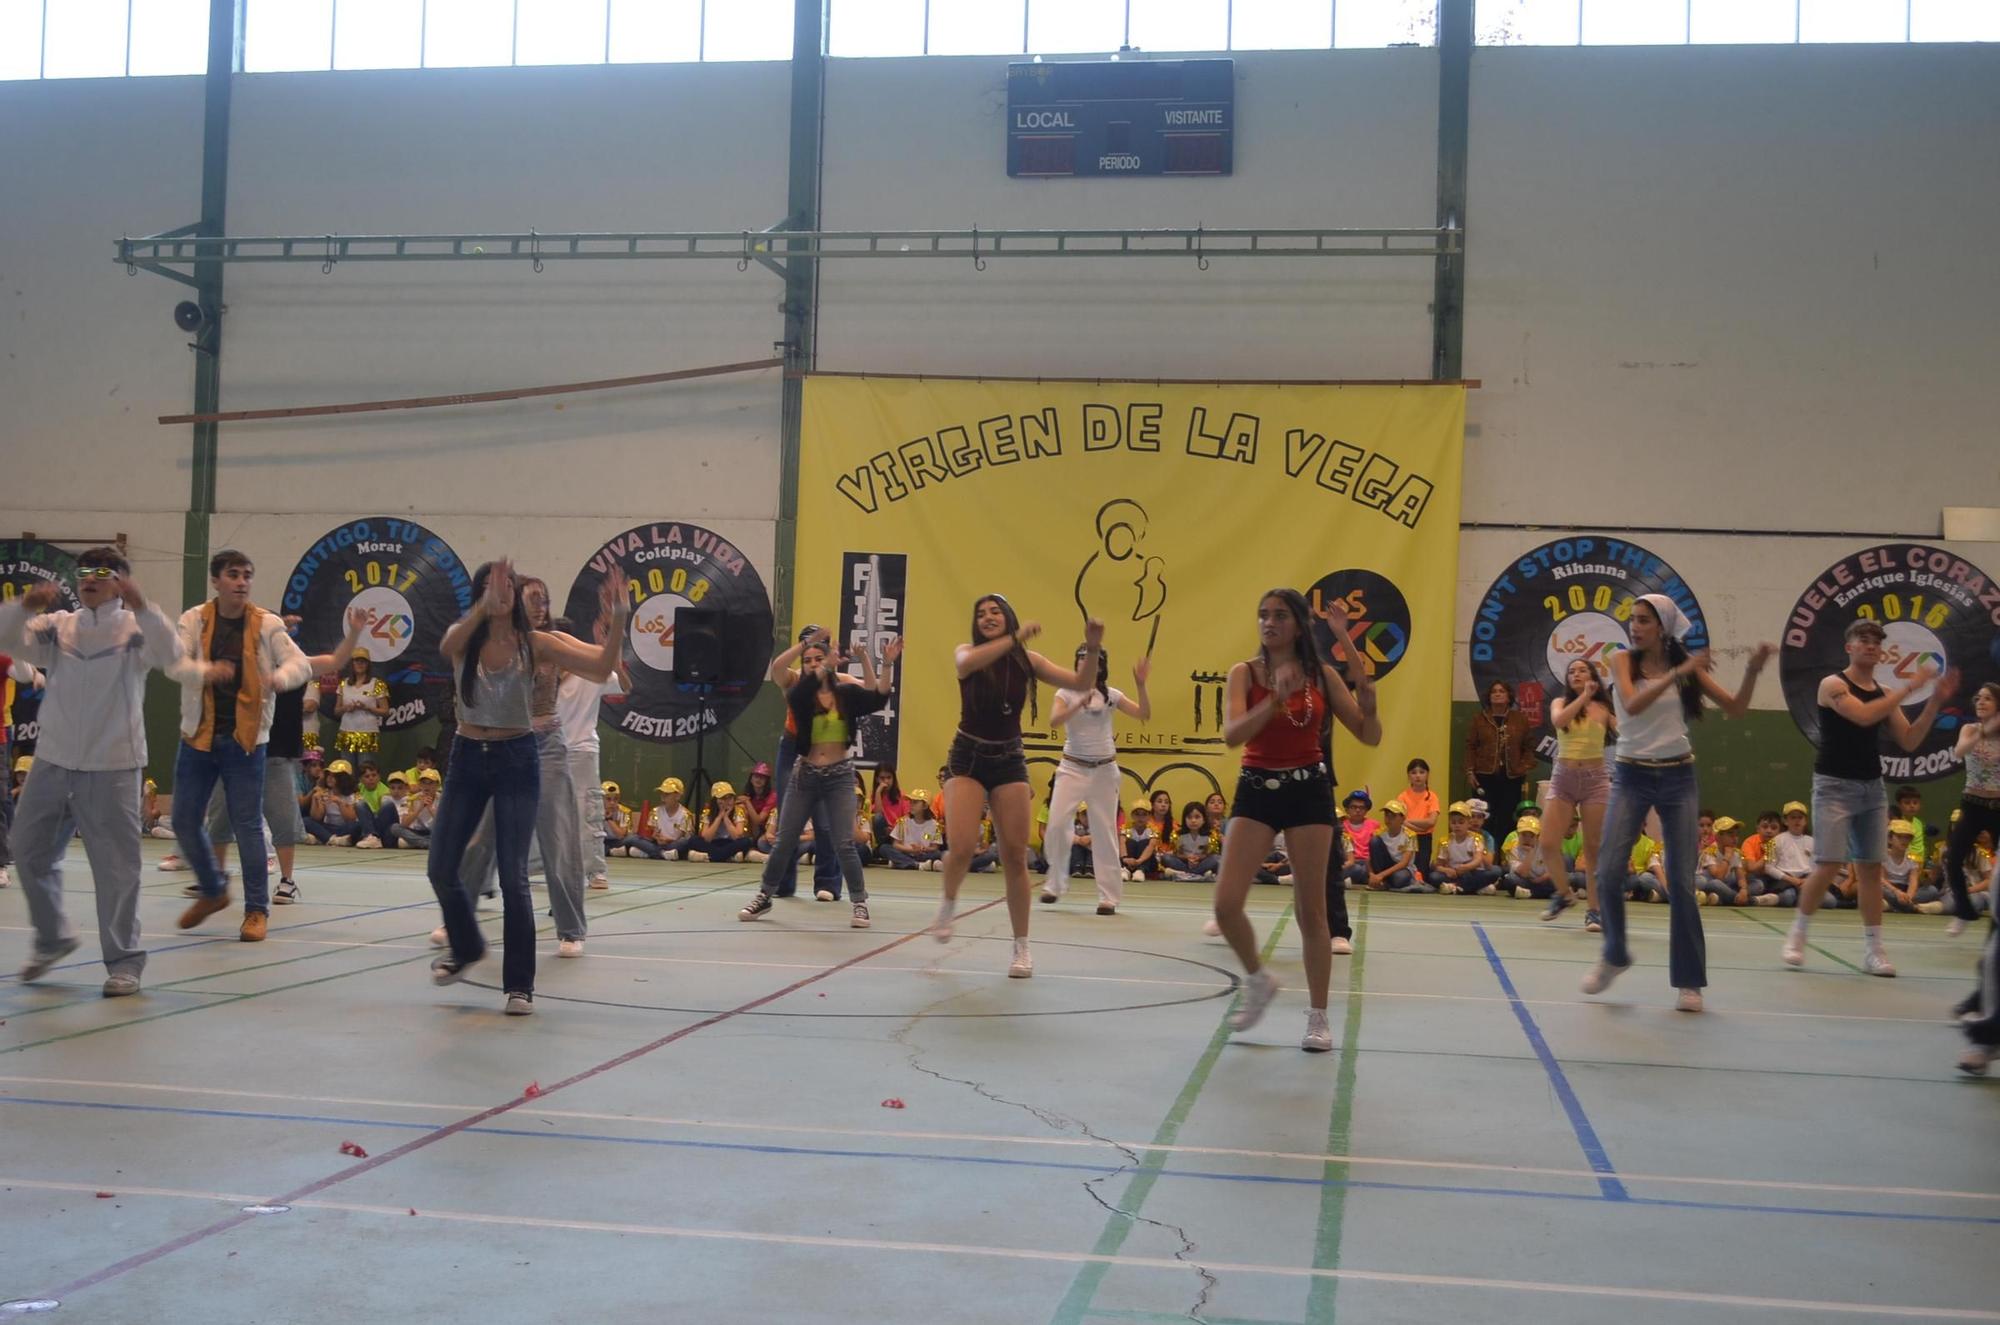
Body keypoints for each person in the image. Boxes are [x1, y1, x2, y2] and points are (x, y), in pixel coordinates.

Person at [426, 557, 627, 1015]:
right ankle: (467, 945)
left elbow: (600, 667)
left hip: (517, 758)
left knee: (515, 876)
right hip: (467, 757)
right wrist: (483, 608)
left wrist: (618, 618)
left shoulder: (535, 643)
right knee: (441, 867)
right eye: (496, 588)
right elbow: (447, 644)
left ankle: (519, 985)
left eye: (509, 588)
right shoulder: (465, 642)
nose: (506, 594)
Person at [2, 548, 183, 995]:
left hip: (113, 766)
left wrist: (144, 606)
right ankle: (53, 937)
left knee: (117, 869)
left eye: (102, 572)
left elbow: (170, 655)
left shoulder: (137, 628)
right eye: (83, 572)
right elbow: (9, 641)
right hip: (52, 760)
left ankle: (124, 962)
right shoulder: (58, 626)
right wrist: (25, 606)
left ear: (122, 581)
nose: (89, 579)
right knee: (26, 850)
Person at [1582, 594, 1772, 1014]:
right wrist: (1679, 674)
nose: (1635, 626)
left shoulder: (1684, 668)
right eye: (1633, 619)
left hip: (1678, 777)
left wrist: (1754, 672)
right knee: (1609, 870)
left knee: (1682, 882)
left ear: (1662, 627)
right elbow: (1631, 704)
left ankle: (1689, 981)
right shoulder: (1621, 662)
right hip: (1631, 775)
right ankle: (1615, 954)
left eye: (1644, 620)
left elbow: (1737, 708)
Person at [1212, 590, 1380, 1052]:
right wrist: (1272, 701)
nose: (1269, 622)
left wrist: (1371, 703)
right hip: (1257, 788)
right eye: (1263, 614)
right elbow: (1231, 735)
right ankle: (1258, 978)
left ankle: (1319, 1016)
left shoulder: (1323, 676)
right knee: (1225, 905)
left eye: (1280, 615)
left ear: (1300, 624)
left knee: (1312, 911)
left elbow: (1368, 734)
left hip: (1308, 790)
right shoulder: (1243, 673)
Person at [928, 597, 1105, 979]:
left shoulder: (1028, 660)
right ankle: (947, 903)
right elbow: (964, 664)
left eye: (995, 612)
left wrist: (1091, 648)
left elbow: (1081, 683)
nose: (987, 617)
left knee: (1014, 854)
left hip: (1008, 758)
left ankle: (1021, 947)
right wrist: (1015, 637)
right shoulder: (968, 653)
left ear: (1007, 618)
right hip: (968, 757)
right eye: (981, 613)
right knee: (961, 846)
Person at [1781, 618, 1953, 977]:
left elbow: (1908, 741)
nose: (1871, 645)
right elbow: (1861, 717)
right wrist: (1909, 689)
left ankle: (1874, 950)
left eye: (1877, 641)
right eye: (1863, 639)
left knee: (1871, 869)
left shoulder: (1884, 692)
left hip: (1871, 789)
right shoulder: (1832, 684)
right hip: (1833, 786)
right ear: (1850, 647)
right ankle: (1798, 933)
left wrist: (1933, 702)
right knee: (1828, 865)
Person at [447, 582, 609, 959]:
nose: (541, 606)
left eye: (545, 600)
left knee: (558, 837)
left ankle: (570, 927)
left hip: (547, 745)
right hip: (503, 745)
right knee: (480, 837)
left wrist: (613, 624)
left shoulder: (551, 641)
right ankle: (460, 918)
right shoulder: (494, 642)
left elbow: (601, 661)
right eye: (533, 599)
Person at [170, 549, 316, 942]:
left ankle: (256, 910)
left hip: (246, 742)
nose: (241, 582)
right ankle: (214, 888)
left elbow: (300, 664)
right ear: (216, 580)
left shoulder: (266, 624)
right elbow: (174, 665)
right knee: (183, 820)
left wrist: (279, 678)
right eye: (233, 575)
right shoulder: (193, 619)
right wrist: (206, 671)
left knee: (248, 825)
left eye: (247, 575)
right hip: (198, 737)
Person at [738, 637, 899, 926]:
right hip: (806, 774)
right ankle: (764, 896)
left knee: (843, 842)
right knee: (785, 838)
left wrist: (883, 663)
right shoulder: (800, 696)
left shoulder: (846, 694)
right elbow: (787, 678)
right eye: (809, 660)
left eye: (819, 659)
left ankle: (859, 903)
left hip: (839, 775)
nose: (814, 665)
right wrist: (820, 662)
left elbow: (879, 695)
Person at [1039, 646, 1152, 913]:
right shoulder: (1065, 693)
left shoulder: (1111, 695)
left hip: (1104, 770)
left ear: (1101, 667)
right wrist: (1078, 701)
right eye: (1081, 660)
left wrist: (1141, 684)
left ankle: (1108, 897)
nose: (1087, 665)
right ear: (1077, 664)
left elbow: (1143, 714)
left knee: (1105, 832)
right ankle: (1054, 885)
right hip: (1071, 768)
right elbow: (1055, 720)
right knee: (1055, 825)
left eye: (1093, 662)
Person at [765, 625, 845, 900]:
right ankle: (783, 883)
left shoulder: (836, 680)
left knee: (824, 821)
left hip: (823, 753)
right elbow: (776, 667)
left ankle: (827, 883)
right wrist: (805, 643)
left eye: (818, 652)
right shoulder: (793, 679)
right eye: (807, 651)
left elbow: (870, 690)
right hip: (793, 749)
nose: (812, 659)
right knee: (789, 820)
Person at [1541, 657, 1616, 928]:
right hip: (1564, 779)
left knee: (1592, 849)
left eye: (1582, 670)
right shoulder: (1560, 704)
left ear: (1593, 675)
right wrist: (1583, 697)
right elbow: (1560, 721)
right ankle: (1563, 893)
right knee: (1548, 843)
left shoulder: (1604, 709)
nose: (1576, 674)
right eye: (1571, 671)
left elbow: (1628, 734)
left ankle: (1594, 910)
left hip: (1596, 781)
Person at [555, 617, 627, 891]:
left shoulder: (590, 672)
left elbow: (622, 684)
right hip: (547, 751)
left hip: (582, 751)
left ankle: (596, 871)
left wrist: (610, 647)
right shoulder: (540, 674)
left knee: (589, 813)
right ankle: (537, 865)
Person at [1938, 682, 2000, 936]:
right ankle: (1964, 911)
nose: (1981, 702)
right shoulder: (1969, 729)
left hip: (1998, 806)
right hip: (1972, 804)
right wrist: (1984, 731)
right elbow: (1959, 752)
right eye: (1978, 698)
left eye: (1987, 699)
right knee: (1953, 859)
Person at [1466, 680, 1536, 843]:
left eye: (1502, 691)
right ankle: (1482, 854)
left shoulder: (1520, 719)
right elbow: (1470, 746)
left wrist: (1523, 767)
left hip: (1512, 777)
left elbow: (1529, 746)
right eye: (1494, 691)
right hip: (1483, 775)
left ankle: (1505, 857)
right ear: (1489, 697)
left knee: (1507, 817)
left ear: (1509, 696)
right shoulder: (1479, 719)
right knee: (1483, 816)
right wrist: (1470, 771)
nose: (1497, 694)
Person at [0, 652, 47, 889]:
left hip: (2, 732)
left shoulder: (5, 654)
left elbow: (22, 672)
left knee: (2, 799)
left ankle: (2, 861)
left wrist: (34, 672)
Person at [1432, 802, 1500, 896]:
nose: (1457, 826)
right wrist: (1446, 870)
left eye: (1461, 822)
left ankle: (1455, 887)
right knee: (1434, 876)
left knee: (1495, 872)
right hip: (1454, 873)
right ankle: (1478, 888)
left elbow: (1478, 859)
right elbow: (1438, 865)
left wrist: (1466, 867)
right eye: (1453, 822)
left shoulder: (1476, 838)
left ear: (1468, 823)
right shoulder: (1445, 841)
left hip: (1471, 871)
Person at [333, 649, 389, 755]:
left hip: (367, 733)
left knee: (366, 767)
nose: (360, 664)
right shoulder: (343, 684)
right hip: (346, 732)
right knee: (347, 768)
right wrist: (346, 708)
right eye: (357, 661)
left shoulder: (377, 684)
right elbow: (336, 711)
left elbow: (386, 711)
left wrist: (367, 708)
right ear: (352, 664)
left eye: (363, 661)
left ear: (368, 665)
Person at [691, 781, 762, 863]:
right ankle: (727, 856)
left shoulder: (738, 811)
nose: (727, 801)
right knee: (693, 840)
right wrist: (719, 817)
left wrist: (726, 818)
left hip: (730, 843)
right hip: (713, 843)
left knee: (747, 841)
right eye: (723, 798)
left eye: (730, 798)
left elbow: (737, 836)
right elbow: (707, 838)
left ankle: (708, 856)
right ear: (715, 800)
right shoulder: (708, 812)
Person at [627, 777, 694, 859]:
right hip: (658, 844)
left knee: (683, 843)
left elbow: (684, 838)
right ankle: (664, 854)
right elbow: (653, 834)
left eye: (667, 794)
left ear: (678, 796)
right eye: (662, 794)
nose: (663, 797)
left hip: (673, 844)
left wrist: (668, 840)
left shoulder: (685, 815)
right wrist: (656, 837)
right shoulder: (655, 811)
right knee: (634, 838)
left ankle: (651, 853)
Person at [1398, 757, 1439, 879]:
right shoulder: (1402, 797)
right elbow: (1399, 821)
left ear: (1427, 774)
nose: (1418, 776)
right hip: (1406, 838)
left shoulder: (1432, 797)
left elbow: (1431, 821)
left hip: (1424, 839)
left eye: (1422, 772)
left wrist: (1408, 822)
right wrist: (1419, 827)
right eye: (1414, 772)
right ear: (1409, 776)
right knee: (1406, 871)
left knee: (1422, 874)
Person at [1696, 816, 1748, 906]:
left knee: (1757, 884)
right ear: (1718, 836)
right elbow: (1718, 876)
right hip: (1708, 882)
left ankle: (1716, 899)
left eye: (1736, 835)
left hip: (1725, 884)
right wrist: (1727, 857)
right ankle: (1738, 899)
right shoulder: (1710, 851)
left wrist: (1744, 890)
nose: (1735, 838)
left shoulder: (1735, 852)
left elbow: (1741, 878)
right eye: (1731, 835)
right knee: (1714, 883)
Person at [884, 789, 942, 869]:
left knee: (938, 854)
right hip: (905, 853)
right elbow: (895, 844)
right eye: (910, 802)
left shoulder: (935, 825)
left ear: (925, 806)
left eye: (915, 802)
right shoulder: (902, 822)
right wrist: (911, 850)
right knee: (884, 848)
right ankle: (918, 865)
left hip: (923, 855)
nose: (911, 805)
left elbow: (935, 847)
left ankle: (900, 862)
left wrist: (923, 849)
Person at [387, 768, 439, 849]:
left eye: (430, 783)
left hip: (435, 831)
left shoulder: (442, 799)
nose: (426, 786)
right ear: (420, 785)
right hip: (418, 832)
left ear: (437, 785)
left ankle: (421, 843)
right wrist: (419, 809)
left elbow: (445, 823)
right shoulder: (414, 798)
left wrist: (430, 808)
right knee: (395, 827)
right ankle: (426, 843)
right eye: (423, 783)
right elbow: (404, 824)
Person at [1504, 817, 1555, 899]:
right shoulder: (1513, 847)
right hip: (1524, 880)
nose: (1527, 839)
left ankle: (1529, 893)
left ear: (1537, 836)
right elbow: (1522, 873)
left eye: (1531, 836)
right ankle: (1543, 894)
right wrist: (1531, 853)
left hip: (1542, 880)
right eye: (1524, 835)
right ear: (1518, 834)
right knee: (1510, 879)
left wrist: (1539, 880)